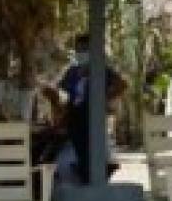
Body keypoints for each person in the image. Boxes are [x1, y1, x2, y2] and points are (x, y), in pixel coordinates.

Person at [50, 35, 125, 184]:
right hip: (73, 115)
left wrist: (103, 97)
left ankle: (92, 173)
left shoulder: (101, 70)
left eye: (84, 49)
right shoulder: (72, 72)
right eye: (78, 49)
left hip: (92, 116)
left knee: (90, 147)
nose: (80, 53)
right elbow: (60, 91)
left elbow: (121, 84)